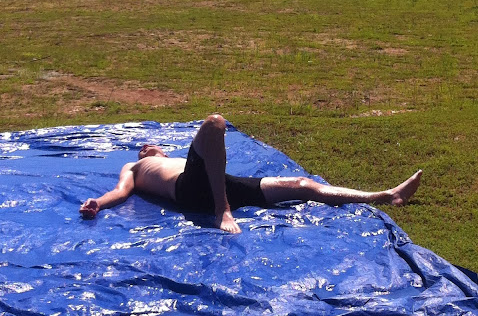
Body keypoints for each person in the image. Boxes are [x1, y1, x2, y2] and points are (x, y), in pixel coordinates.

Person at [79, 113, 422, 234]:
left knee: (302, 184)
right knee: (215, 122)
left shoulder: (178, 157)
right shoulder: (134, 166)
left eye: (149, 146)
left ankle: (386, 196)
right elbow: (122, 190)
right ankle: (222, 210)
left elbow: (211, 160)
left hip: (219, 183)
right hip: (188, 190)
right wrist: (100, 202)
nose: (144, 147)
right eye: (141, 148)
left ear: (163, 150)